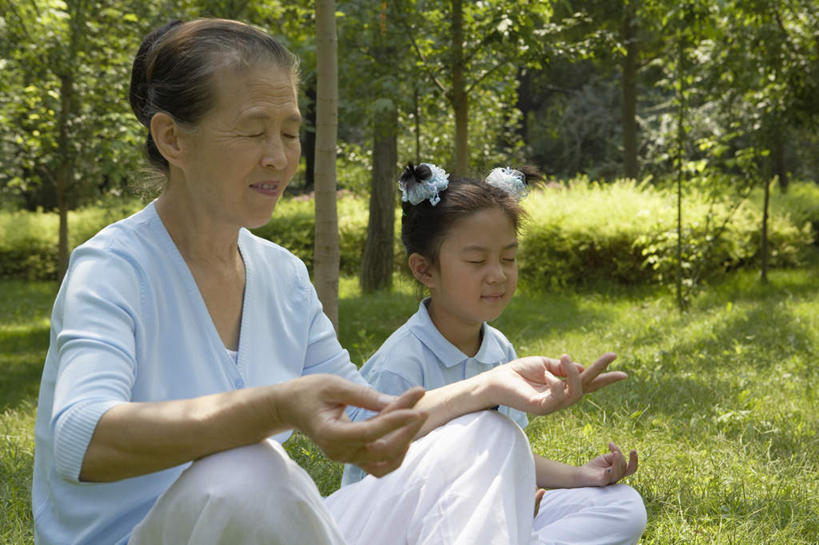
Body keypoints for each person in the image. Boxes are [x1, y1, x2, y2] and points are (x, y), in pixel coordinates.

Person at [32, 18, 630, 545]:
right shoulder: (113, 267)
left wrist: (491, 386)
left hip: (266, 524)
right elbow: (80, 440)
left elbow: (365, 415)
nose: (279, 156)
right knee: (246, 469)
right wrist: (274, 407)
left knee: (489, 438)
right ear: (172, 138)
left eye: (290, 132)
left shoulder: (282, 276)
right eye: (253, 130)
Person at [342, 163, 647, 544]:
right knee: (486, 432)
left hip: (478, 517)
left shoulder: (500, 350)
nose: (498, 275)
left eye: (508, 258)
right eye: (476, 261)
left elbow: (506, 454)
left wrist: (578, 477)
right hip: (397, 524)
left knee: (622, 506)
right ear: (424, 270)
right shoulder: (400, 365)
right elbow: (378, 477)